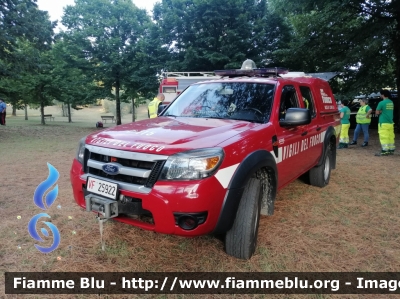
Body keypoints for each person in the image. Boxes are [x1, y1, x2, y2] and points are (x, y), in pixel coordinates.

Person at [374, 90, 395, 156]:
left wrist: (380, 111)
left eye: (380, 94)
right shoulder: (391, 102)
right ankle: (391, 149)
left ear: (383, 95)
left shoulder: (381, 103)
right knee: (390, 136)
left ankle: (384, 151)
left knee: (383, 137)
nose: (380, 95)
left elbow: (377, 112)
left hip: (383, 122)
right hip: (390, 122)